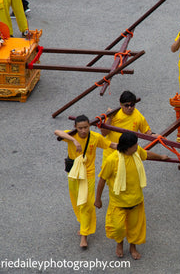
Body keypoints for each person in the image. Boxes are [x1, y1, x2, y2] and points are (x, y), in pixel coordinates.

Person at [95, 132, 169, 260]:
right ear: (126, 147)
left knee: (135, 228)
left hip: (136, 200)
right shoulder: (112, 160)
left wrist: (161, 157)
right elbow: (102, 180)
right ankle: (119, 244)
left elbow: (147, 154)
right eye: (135, 145)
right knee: (118, 228)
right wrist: (98, 199)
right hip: (118, 203)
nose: (137, 146)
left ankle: (132, 247)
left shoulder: (136, 152)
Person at [54, 115, 116, 249]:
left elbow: (110, 144)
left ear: (89, 126)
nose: (83, 131)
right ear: (75, 128)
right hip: (74, 174)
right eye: (80, 128)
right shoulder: (72, 136)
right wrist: (73, 141)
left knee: (87, 204)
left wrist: (129, 147)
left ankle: (84, 234)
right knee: (77, 201)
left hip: (89, 174)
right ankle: (83, 224)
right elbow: (57, 132)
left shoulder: (95, 137)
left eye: (86, 127)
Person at [101, 91, 153, 161]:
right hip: (110, 156)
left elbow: (147, 132)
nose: (129, 108)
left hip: (128, 155)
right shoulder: (113, 114)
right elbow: (104, 133)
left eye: (132, 105)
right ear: (121, 104)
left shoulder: (137, 115)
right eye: (126, 105)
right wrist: (110, 118)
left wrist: (157, 137)